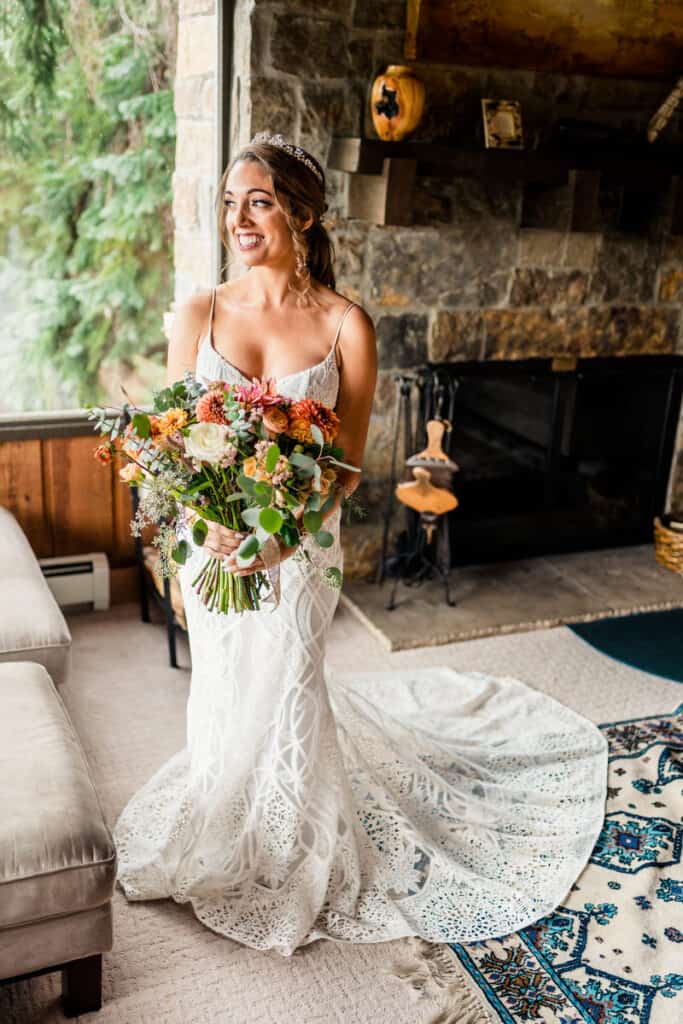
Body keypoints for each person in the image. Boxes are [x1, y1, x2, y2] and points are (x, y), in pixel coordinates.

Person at [113, 132, 608, 959]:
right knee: (227, 684)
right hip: (214, 546)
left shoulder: (346, 325)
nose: (239, 217)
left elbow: (344, 468)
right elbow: (171, 443)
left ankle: (292, 843)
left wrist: (281, 538)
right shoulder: (198, 311)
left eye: (259, 200)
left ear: (301, 214)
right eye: (231, 202)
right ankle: (222, 816)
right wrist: (210, 525)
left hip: (300, 551)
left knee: (289, 685)